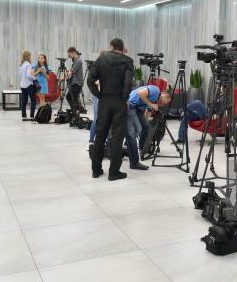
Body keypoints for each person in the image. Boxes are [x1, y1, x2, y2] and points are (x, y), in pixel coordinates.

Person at [87, 38, 134, 181]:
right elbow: (128, 83)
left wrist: (98, 94)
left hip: (104, 101)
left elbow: (90, 80)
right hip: (119, 102)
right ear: (122, 47)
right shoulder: (128, 61)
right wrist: (125, 98)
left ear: (111, 46)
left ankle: (96, 170)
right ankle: (114, 172)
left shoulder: (101, 59)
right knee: (117, 137)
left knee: (100, 136)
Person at [126, 85, 171, 170]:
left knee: (146, 127)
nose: (165, 104)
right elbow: (140, 93)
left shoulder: (156, 101)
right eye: (166, 102)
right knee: (137, 129)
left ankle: (142, 149)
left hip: (138, 109)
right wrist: (151, 104)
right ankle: (133, 157)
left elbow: (147, 114)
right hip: (130, 105)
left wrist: (145, 122)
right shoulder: (156, 91)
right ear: (164, 95)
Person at [65, 47, 84, 115]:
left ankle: (76, 114)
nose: (69, 56)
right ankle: (75, 112)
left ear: (73, 52)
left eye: (69, 54)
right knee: (70, 97)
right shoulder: (76, 61)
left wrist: (64, 74)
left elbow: (72, 71)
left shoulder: (78, 61)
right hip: (74, 82)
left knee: (74, 99)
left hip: (77, 83)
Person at [19, 51, 37, 121]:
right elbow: (29, 75)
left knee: (24, 101)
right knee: (33, 100)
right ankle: (32, 116)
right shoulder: (29, 65)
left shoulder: (22, 65)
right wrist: (35, 78)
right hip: (29, 85)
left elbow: (20, 74)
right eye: (30, 56)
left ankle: (24, 117)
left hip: (22, 85)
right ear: (28, 56)